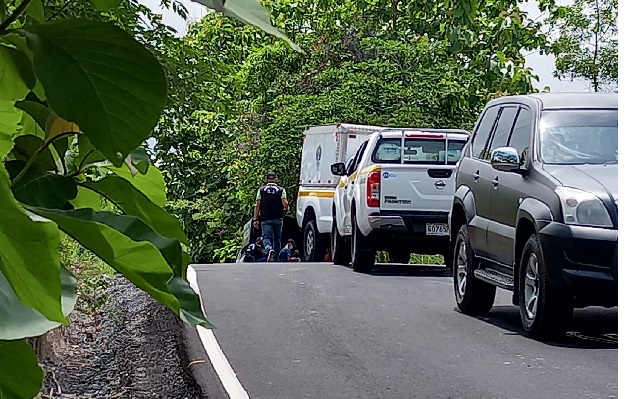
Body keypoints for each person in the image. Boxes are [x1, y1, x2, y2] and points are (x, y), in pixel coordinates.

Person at [253, 171, 289, 261]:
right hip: (278, 217)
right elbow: (284, 202)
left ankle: (269, 249)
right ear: (276, 179)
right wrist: (287, 208)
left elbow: (257, 204)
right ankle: (276, 256)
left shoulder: (261, 190)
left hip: (265, 218)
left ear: (266, 180)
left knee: (266, 237)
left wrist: (256, 218)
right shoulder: (281, 190)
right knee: (277, 239)